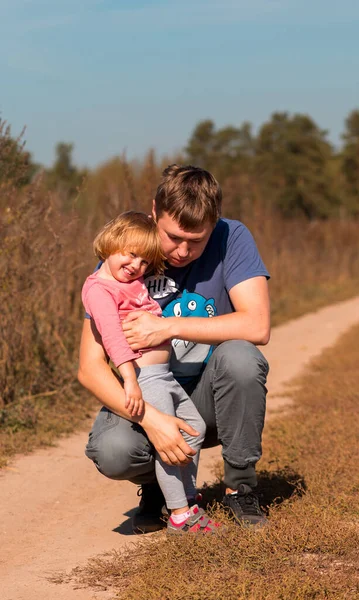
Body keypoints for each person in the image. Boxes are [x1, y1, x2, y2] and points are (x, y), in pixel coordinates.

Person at [78, 164, 270, 532]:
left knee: (243, 358)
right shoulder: (125, 256)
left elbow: (257, 325)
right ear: (154, 212)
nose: (182, 251)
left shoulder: (234, 237)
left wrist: (166, 326)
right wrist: (153, 421)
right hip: (148, 393)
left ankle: (240, 487)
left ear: (215, 225)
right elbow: (89, 367)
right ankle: (158, 489)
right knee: (114, 452)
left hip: (208, 397)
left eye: (196, 240)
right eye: (172, 237)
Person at [81, 211, 220, 534]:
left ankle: (185, 493)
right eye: (130, 255)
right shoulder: (101, 290)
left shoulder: (126, 282)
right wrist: (129, 379)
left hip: (164, 375)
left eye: (145, 262)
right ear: (110, 244)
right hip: (145, 377)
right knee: (167, 441)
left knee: (193, 427)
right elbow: (113, 339)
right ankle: (181, 515)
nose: (136, 266)